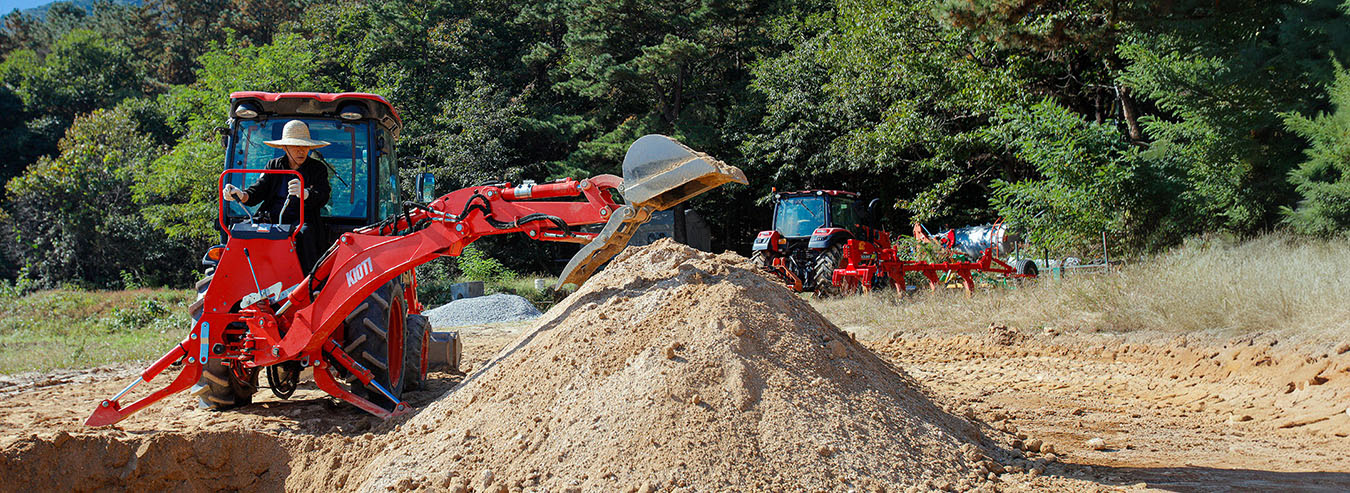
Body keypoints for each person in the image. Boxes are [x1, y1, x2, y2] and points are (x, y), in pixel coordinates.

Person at [222, 120, 332, 272]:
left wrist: (305, 193)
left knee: (306, 233)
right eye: (296, 146)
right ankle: (238, 275)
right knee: (241, 231)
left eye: (305, 146)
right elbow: (257, 191)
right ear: (285, 147)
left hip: (302, 220)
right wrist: (240, 194)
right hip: (271, 219)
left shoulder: (318, 169)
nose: (301, 151)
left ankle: (310, 280)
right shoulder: (273, 166)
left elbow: (323, 195)